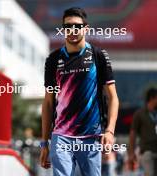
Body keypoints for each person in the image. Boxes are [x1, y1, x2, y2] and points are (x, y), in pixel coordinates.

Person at [39, 7, 119, 176]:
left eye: (77, 26)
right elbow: (48, 102)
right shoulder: (53, 60)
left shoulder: (99, 56)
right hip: (61, 136)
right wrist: (44, 143)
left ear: (85, 28)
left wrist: (110, 131)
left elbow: (113, 97)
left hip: (90, 136)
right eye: (68, 27)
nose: (73, 30)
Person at [129, 87, 157, 176]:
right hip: (147, 151)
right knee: (150, 174)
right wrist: (131, 153)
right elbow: (133, 133)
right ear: (152, 98)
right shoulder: (140, 113)